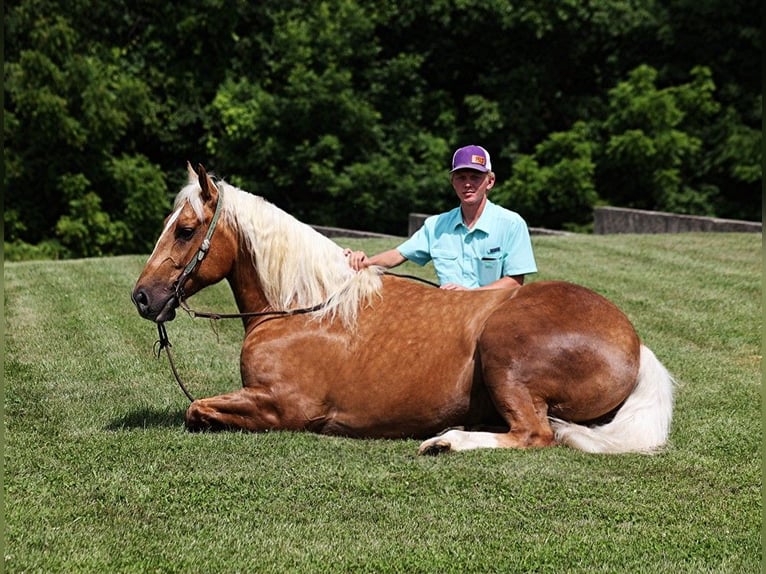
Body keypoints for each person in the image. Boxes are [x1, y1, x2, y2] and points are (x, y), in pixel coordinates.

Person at [345, 145, 537, 290]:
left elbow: (515, 281)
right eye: (461, 177)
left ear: (490, 181)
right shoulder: (436, 225)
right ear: (452, 182)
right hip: (447, 318)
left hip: (493, 316)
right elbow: (398, 255)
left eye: (475, 177)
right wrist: (365, 262)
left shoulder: (511, 224)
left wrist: (471, 294)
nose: (468, 184)